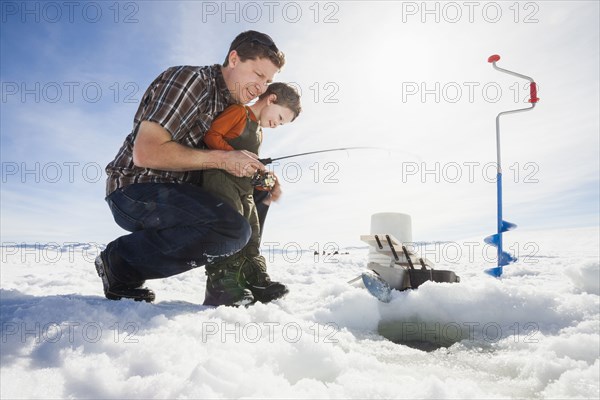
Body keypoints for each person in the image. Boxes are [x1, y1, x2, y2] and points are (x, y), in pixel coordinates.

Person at [95, 30, 286, 307]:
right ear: (234, 59)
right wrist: (223, 159)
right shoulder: (191, 82)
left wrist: (258, 174)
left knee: (258, 193)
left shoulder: (233, 108)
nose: (261, 87)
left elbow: (226, 162)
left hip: (183, 192)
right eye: (257, 75)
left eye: (268, 81)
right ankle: (120, 262)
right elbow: (145, 152)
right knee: (230, 229)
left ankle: (229, 282)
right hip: (138, 188)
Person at [201, 82, 301, 306]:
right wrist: (234, 154)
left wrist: (262, 177)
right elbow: (212, 136)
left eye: (282, 124)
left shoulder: (259, 132)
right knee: (233, 228)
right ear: (271, 99)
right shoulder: (238, 112)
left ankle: (254, 279)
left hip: (243, 188)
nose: (277, 125)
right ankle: (223, 284)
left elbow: (247, 163)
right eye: (280, 118)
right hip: (220, 179)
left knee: (252, 230)